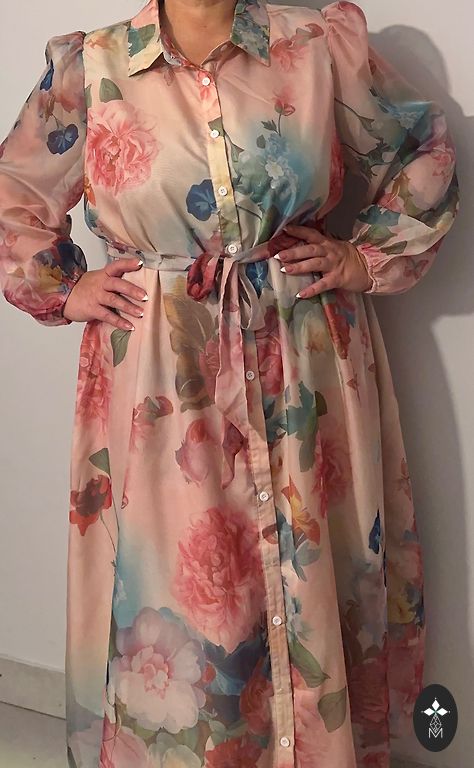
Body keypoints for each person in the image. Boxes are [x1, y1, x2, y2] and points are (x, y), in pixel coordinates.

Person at [0, 0, 459, 766]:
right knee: (184, 606)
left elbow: (422, 150)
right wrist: (62, 286)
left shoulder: (315, 45)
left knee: (311, 575)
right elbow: (15, 191)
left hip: (305, 363)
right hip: (161, 378)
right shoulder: (96, 66)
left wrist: (365, 256)